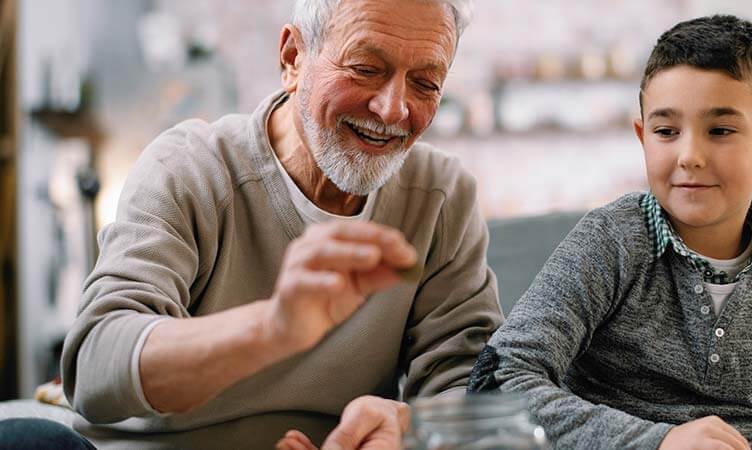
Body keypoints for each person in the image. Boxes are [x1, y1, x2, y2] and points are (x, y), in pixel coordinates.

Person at [0, 0, 503, 449]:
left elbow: (475, 387)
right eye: (366, 68)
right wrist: (271, 329)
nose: (393, 109)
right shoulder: (190, 167)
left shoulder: (442, 196)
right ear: (292, 58)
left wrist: (410, 428)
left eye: (425, 83)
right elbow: (96, 362)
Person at [468, 14, 752, 450]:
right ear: (643, 137)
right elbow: (497, 377)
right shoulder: (611, 241)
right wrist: (658, 442)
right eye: (666, 132)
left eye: (720, 130)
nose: (689, 156)